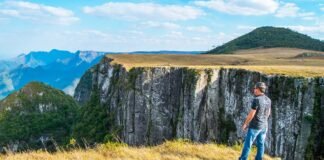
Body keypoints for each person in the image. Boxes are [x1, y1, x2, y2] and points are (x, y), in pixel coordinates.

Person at [239, 82, 271, 160]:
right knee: (261, 144)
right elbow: (268, 112)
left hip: (255, 126)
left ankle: (243, 159)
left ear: (258, 89)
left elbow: (251, 114)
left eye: (255, 88)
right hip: (264, 126)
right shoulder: (268, 100)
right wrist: (263, 120)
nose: (254, 90)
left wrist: (245, 124)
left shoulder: (256, 100)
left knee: (248, 144)